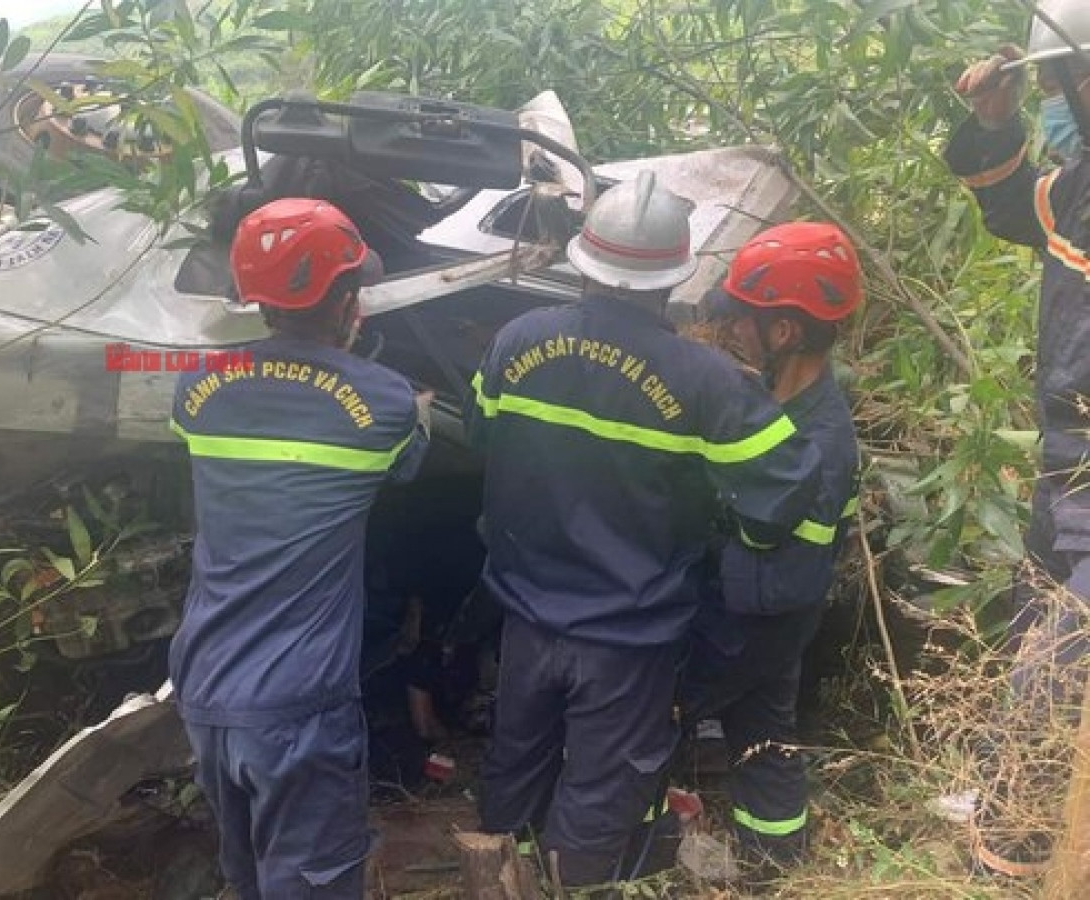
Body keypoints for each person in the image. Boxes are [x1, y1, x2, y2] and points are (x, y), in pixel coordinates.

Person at [466, 170, 824, 888]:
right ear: (673, 278)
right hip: (627, 640)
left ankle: (500, 876)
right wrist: (742, 538)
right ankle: (575, 886)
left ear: (584, 262)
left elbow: (483, 435)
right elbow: (785, 491)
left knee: (516, 766)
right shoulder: (707, 381)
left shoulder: (516, 340)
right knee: (601, 793)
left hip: (527, 618)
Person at [168, 197, 431, 899]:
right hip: (298, 706)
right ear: (347, 302)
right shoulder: (386, 403)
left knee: (247, 876)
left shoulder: (196, 387)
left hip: (206, 686)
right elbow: (408, 463)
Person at [944, 0, 1090, 876]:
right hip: (1063, 466)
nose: (1053, 99)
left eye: (1057, 83)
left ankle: (1014, 847)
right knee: (1038, 625)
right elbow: (1010, 206)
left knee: (1060, 665)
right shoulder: (1077, 185)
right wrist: (993, 124)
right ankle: (1023, 837)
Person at [681, 222, 863, 871]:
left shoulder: (820, 443)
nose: (733, 329)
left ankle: (635, 859)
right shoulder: (780, 401)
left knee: (651, 719)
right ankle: (776, 865)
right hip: (770, 619)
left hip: (751, 621)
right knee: (765, 740)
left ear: (784, 331)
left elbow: (767, 549)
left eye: (744, 319)